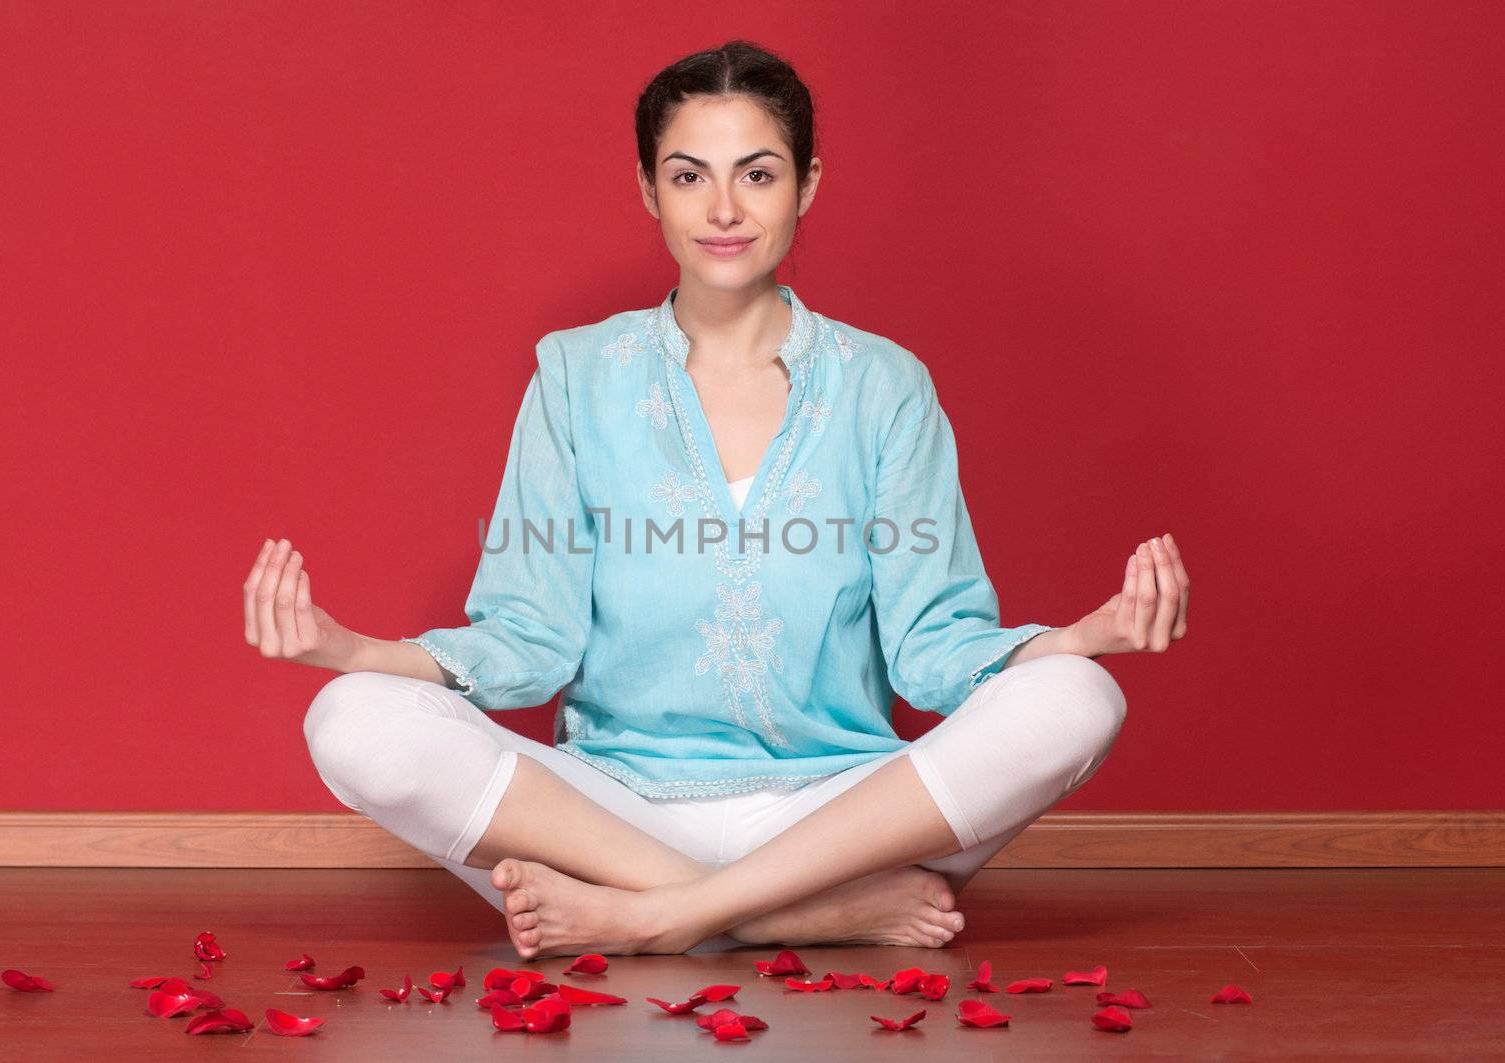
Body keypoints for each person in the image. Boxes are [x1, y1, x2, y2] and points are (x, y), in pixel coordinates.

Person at [243, 40, 1191, 960]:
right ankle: (785, 915)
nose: (725, 209)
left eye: (759, 174)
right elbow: (525, 640)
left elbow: (935, 643)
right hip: (610, 807)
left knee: (1079, 698)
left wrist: (1076, 638)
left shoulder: (884, 385)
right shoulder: (574, 375)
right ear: (649, 190)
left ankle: (658, 917)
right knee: (353, 715)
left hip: (842, 809)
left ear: (808, 185)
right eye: (690, 175)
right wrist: (350, 650)